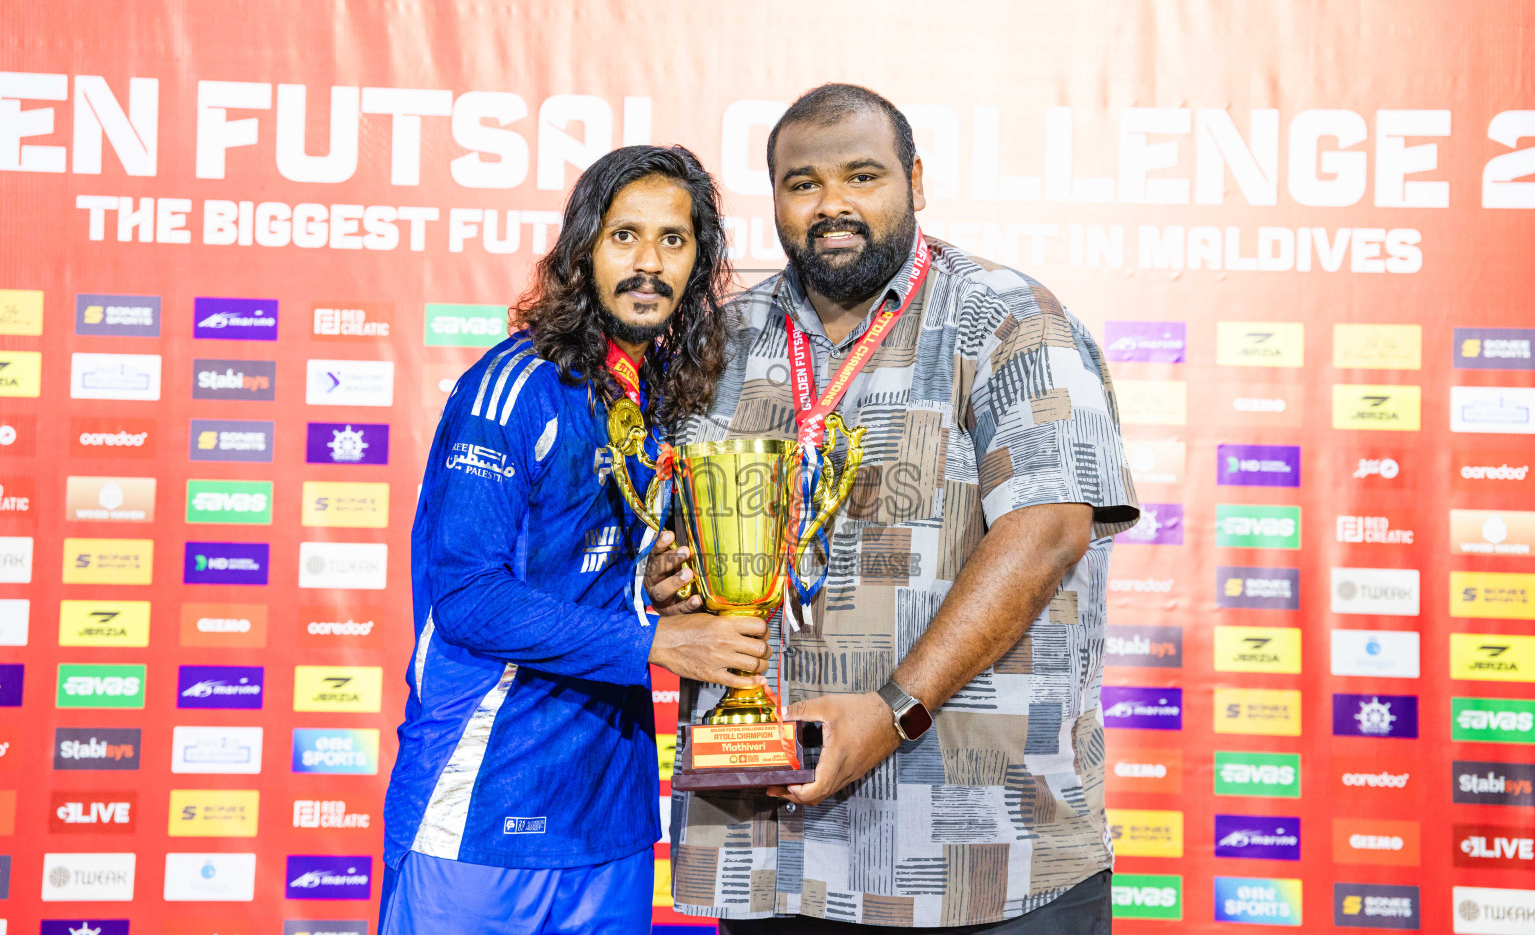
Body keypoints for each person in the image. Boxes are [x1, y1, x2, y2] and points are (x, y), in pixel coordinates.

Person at [649, 85, 1140, 933]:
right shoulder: (720, 340)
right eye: (801, 183)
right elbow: (676, 531)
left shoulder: (1010, 318)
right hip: (769, 846)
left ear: (914, 180)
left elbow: (1049, 530)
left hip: (984, 855)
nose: (831, 204)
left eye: (862, 176)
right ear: (773, 198)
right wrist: (670, 575)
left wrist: (890, 712)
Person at [380, 145, 771, 935]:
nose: (648, 263)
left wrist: (653, 585)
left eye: (673, 240)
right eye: (624, 236)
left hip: (610, 818)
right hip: (484, 803)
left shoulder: (663, 398)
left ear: (699, 264)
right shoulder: (512, 387)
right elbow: (468, 597)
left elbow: (585, 570)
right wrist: (662, 640)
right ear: (583, 248)